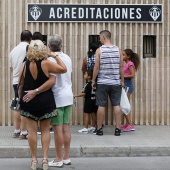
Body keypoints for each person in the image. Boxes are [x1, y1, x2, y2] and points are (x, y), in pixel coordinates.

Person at [23, 35, 73, 168]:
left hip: (42, 98)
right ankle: (54, 158)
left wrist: (21, 97)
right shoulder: (62, 59)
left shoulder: (27, 64)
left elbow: (21, 83)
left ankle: (37, 160)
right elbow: (64, 73)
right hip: (59, 97)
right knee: (59, 128)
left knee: (35, 131)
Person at [92, 30, 124, 136]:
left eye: (100, 37)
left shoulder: (99, 50)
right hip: (115, 82)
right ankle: (118, 128)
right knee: (116, 105)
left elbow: (96, 67)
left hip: (102, 82)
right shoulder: (118, 50)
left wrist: (93, 80)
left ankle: (99, 129)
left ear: (103, 37)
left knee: (101, 105)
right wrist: (122, 80)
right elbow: (121, 67)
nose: (99, 39)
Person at [9, 30, 32, 139]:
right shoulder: (29, 48)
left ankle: (16, 130)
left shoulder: (13, 51)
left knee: (17, 105)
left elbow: (11, 69)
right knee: (25, 107)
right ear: (30, 38)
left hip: (15, 81)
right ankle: (24, 132)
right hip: (25, 81)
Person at [120, 49, 140, 132]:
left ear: (128, 56)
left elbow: (132, 75)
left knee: (125, 105)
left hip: (128, 86)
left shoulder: (130, 64)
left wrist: (122, 76)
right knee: (124, 105)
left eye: (123, 55)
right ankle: (127, 124)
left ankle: (130, 125)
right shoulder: (126, 64)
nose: (122, 56)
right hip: (125, 86)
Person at [74, 69, 98, 134]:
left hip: (88, 101)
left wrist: (76, 95)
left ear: (89, 76)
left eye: (85, 74)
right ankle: (93, 126)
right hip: (94, 100)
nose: (84, 75)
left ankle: (86, 127)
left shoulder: (87, 85)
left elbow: (84, 93)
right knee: (93, 113)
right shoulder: (94, 84)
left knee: (86, 114)